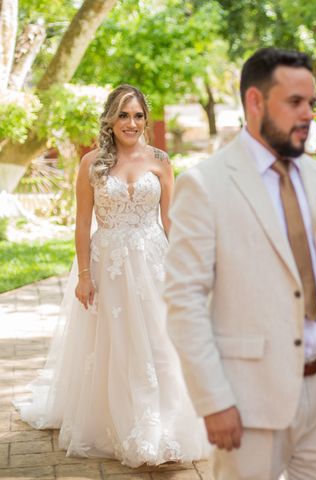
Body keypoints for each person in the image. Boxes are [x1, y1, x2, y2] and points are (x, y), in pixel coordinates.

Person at [163, 47, 316, 480]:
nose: (308, 115)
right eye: (294, 103)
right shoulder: (204, 185)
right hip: (247, 400)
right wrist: (213, 400)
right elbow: (184, 303)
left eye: (312, 103)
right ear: (255, 102)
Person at [15, 84, 209, 467]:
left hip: (154, 262)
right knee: (120, 346)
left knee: (161, 342)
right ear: (111, 119)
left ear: (145, 119)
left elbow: (170, 220)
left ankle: (165, 425)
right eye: (123, 115)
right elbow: (82, 224)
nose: (131, 123)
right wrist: (84, 276)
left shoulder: (160, 161)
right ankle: (129, 427)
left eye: (138, 115)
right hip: (112, 266)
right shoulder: (93, 164)